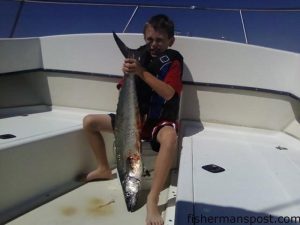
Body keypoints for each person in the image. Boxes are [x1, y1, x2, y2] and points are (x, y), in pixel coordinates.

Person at [83, 14, 183, 225]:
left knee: (171, 138)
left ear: (170, 41)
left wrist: (140, 72)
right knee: (90, 122)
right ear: (144, 39)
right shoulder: (138, 59)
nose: (153, 45)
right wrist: (129, 74)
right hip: (132, 121)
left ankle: (152, 199)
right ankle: (103, 168)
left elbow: (168, 93)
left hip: (157, 122)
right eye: (149, 40)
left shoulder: (173, 61)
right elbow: (122, 88)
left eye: (159, 40)